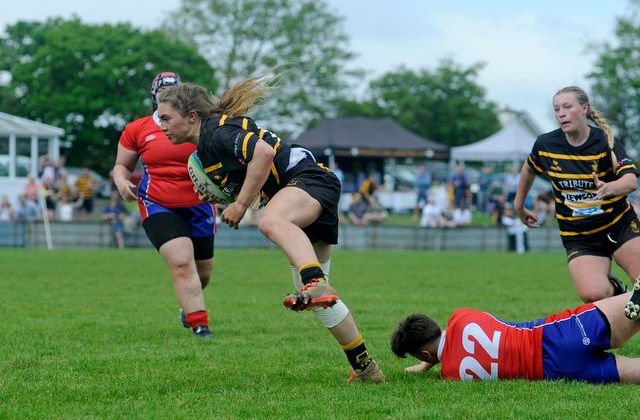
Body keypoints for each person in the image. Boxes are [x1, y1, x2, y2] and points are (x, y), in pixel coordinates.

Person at [156, 74, 385, 382]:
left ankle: (315, 280)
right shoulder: (206, 150)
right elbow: (243, 177)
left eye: (167, 118)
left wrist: (240, 205)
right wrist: (223, 195)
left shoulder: (217, 133)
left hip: (307, 179)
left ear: (192, 116)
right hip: (302, 188)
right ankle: (365, 367)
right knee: (322, 303)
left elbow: (263, 153)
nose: (162, 125)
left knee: (272, 223)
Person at [514, 86, 640, 309]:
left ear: (584, 108)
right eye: (556, 109)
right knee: (593, 294)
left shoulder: (606, 141)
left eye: (567, 106)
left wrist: (609, 188)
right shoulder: (546, 144)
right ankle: (618, 292)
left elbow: (630, 182)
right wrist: (519, 205)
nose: (560, 113)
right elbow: (529, 169)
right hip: (579, 235)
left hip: (618, 224)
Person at [112, 71, 216, 338]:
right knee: (182, 263)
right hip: (158, 203)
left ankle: (188, 304)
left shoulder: (203, 125)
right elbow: (121, 167)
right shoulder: (138, 129)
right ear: (154, 97)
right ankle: (200, 326)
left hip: (200, 203)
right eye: (162, 95)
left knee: (203, 272)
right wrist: (122, 181)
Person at [390, 283, 640, 384]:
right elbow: (450, 335)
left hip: (559, 371)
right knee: (632, 305)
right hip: (558, 333)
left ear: (424, 353)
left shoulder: (452, 375)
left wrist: (427, 363)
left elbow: (446, 351)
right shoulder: (462, 318)